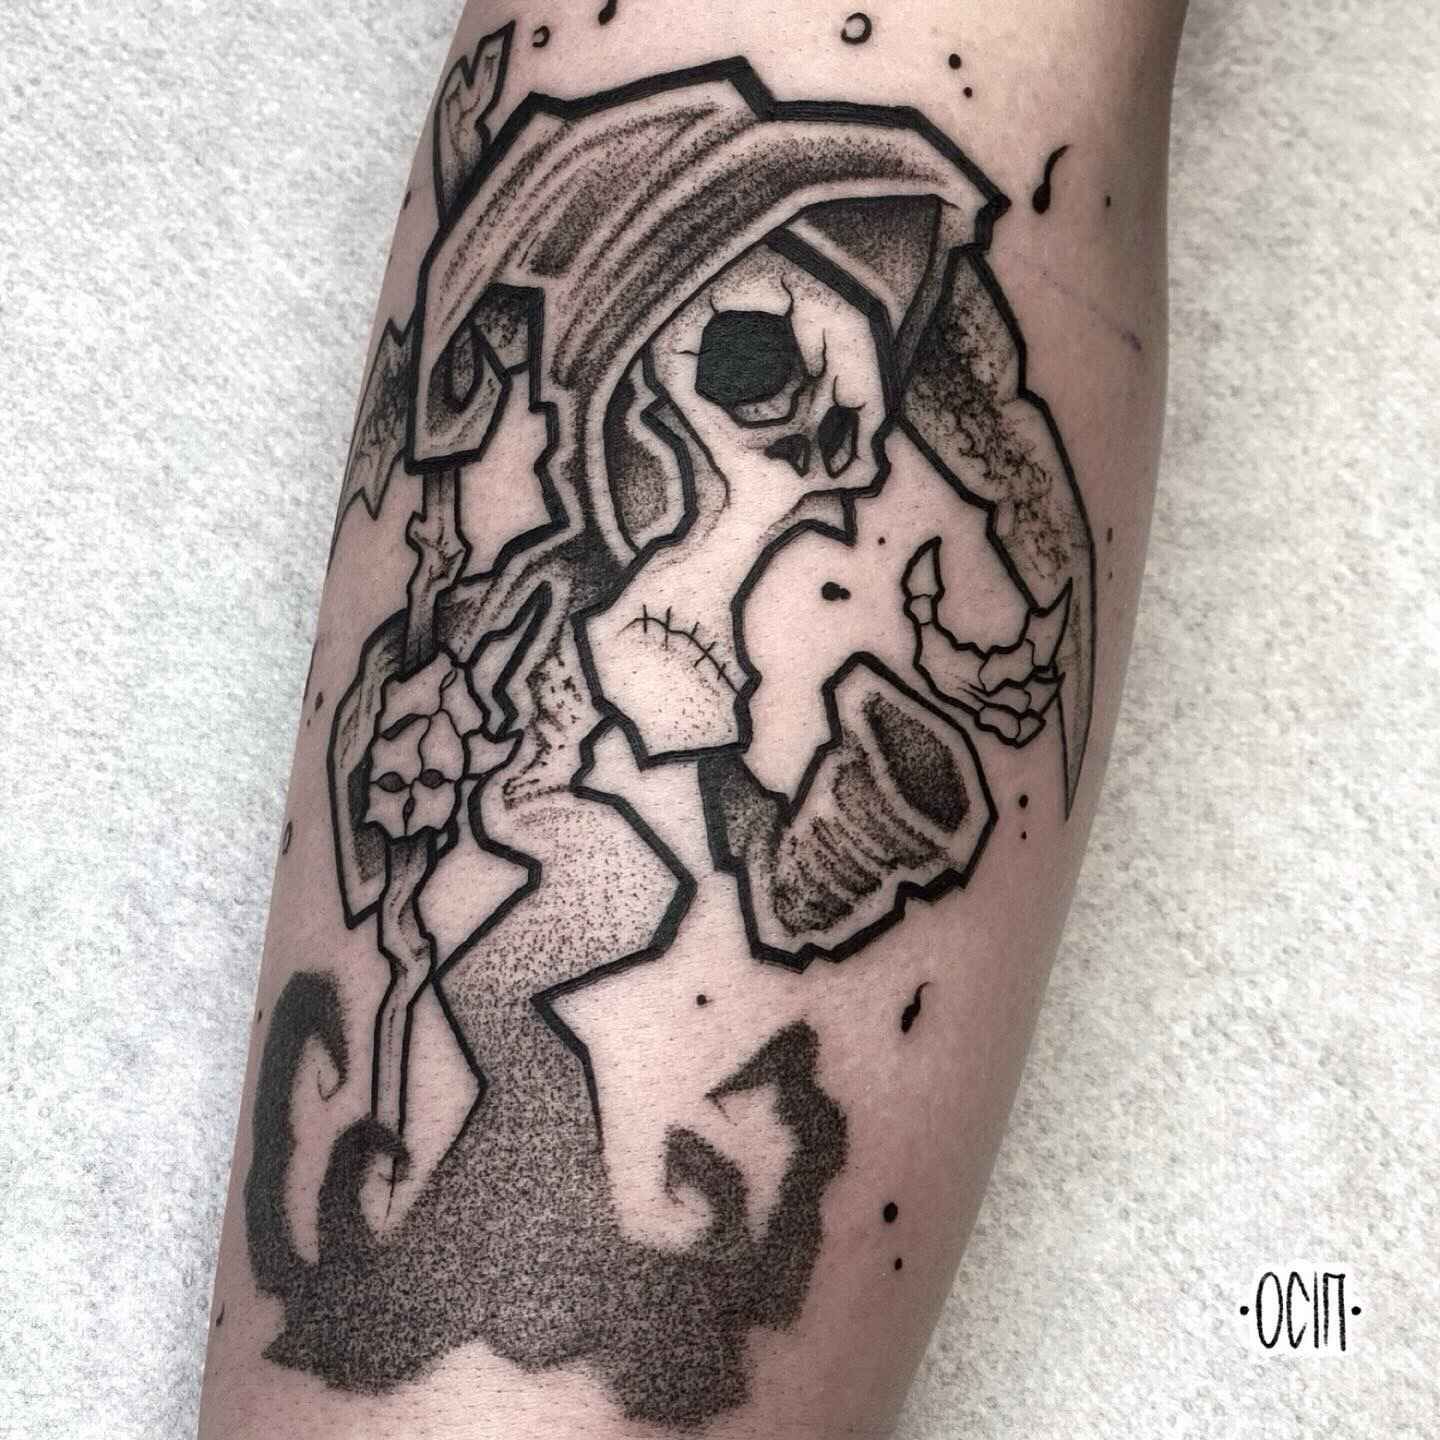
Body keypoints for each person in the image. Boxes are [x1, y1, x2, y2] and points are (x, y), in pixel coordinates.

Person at [198, 1, 1187, 1433]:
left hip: (595, 834)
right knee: (538, 952)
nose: (795, 481)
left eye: (840, 443)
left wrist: (848, 835)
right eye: (758, 374)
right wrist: (436, 735)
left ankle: (518, 1247)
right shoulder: (559, 591)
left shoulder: (695, 644)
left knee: (579, 930)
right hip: (539, 798)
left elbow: (750, 841)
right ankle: (491, 1246)